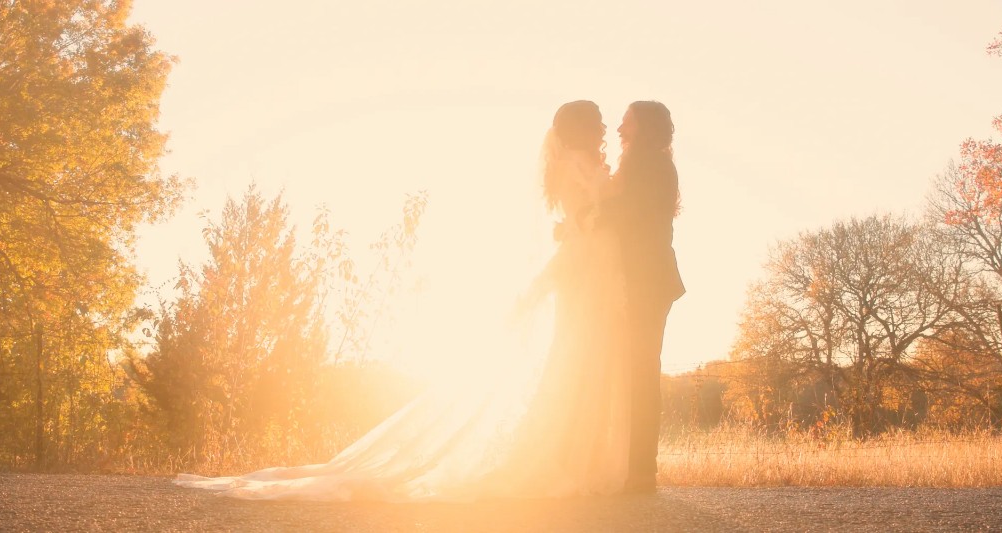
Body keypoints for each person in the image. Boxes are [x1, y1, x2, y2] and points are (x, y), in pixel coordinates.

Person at [174, 101, 634, 501]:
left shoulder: (573, 162)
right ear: (579, 128)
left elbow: (577, 220)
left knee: (578, 362)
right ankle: (570, 459)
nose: (602, 128)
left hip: (585, 272)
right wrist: (610, 201)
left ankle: (573, 457)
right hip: (585, 274)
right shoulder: (579, 163)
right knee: (579, 360)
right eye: (596, 121)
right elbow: (590, 216)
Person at [602, 101, 685, 493]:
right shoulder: (649, 163)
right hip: (647, 278)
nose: (620, 126)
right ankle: (634, 468)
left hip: (646, 281)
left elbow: (627, 216)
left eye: (627, 120)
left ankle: (641, 471)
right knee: (637, 371)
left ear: (644, 126)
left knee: (641, 373)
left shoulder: (649, 164)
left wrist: (584, 215)